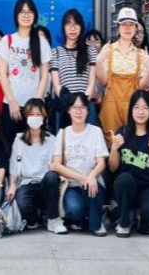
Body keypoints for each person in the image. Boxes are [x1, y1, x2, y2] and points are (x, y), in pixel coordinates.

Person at [47, 93, 109, 236]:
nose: (79, 111)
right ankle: (85, 216)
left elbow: (101, 163)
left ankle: (96, 221)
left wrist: (92, 176)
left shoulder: (95, 132)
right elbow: (57, 165)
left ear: (88, 110)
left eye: (82, 107)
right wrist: (82, 178)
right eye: (75, 107)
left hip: (92, 183)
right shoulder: (63, 133)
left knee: (95, 222)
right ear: (69, 110)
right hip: (72, 185)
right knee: (74, 209)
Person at [109, 90, 149, 237]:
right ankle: (124, 223)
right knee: (125, 179)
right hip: (125, 188)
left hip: (148, 187)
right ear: (131, 109)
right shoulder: (122, 132)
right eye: (136, 107)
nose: (141, 112)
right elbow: (112, 167)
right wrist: (114, 148)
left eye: (145, 108)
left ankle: (141, 222)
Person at [0, 0, 52, 143]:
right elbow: (2, 74)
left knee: (34, 147)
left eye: (30, 12)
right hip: (11, 106)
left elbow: (44, 76)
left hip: (34, 109)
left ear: (35, 15)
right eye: (22, 12)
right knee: (10, 147)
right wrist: (11, 101)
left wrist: (36, 105)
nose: (26, 15)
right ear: (16, 15)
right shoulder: (7, 40)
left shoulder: (41, 42)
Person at [96, 8, 149, 144]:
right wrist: (99, 61)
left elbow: (142, 87)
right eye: (124, 24)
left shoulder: (141, 54)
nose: (127, 28)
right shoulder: (107, 50)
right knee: (111, 147)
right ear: (118, 27)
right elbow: (104, 81)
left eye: (131, 24)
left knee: (131, 148)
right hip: (110, 111)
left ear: (136, 28)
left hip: (133, 111)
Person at [6, 99, 57, 229]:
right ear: (26, 117)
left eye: (38, 114)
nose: (35, 118)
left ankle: (52, 218)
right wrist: (12, 186)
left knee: (52, 177)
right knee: (23, 205)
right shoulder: (19, 140)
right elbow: (13, 166)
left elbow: (55, 165)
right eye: (31, 114)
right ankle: (35, 218)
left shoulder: (51, 140)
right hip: (26, 183)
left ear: (44, 117)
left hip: (45, 183)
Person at [51, 9, 98, 130]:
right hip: (65, 108)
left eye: (76, 24)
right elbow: (57, 85)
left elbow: (91, 83)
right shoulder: (56, 52)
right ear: (63, 27)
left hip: (86, 107)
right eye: (68, 24)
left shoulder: (90, 51)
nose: (72, 28)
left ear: (81, 27)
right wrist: (70, 105)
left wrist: (81, 104)